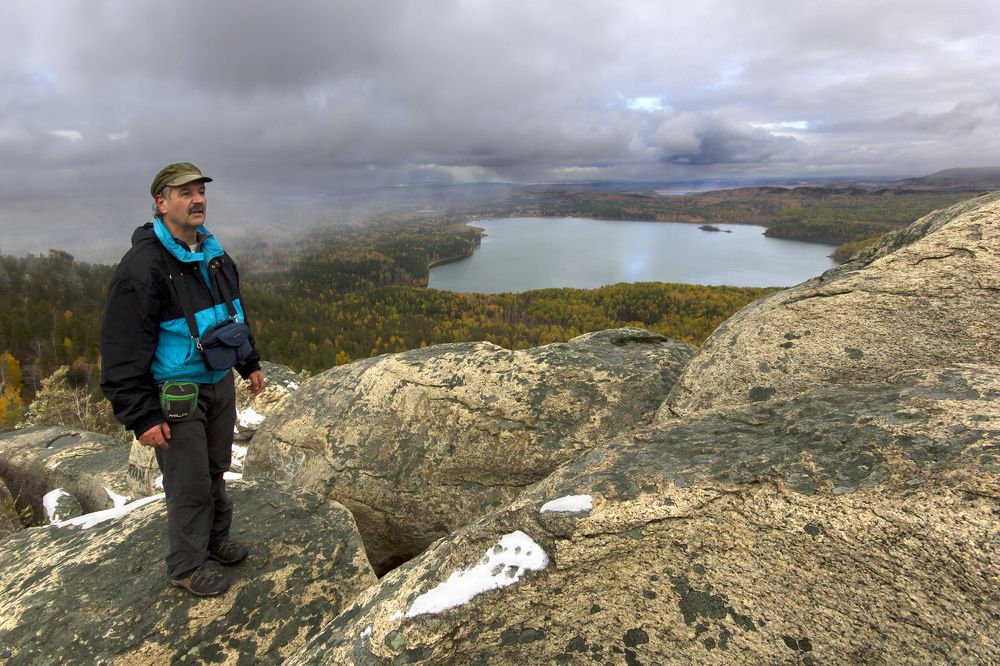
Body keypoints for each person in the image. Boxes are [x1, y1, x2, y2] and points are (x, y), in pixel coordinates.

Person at [101, 162, 265, 597]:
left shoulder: (213, 254)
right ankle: (187, 565)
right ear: (161, 202)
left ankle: (215, 541)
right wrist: (141, 414)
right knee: (187, 480)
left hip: (218, 383)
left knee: (215, 469)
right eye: (184, 193)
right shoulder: (143, 266)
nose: (197, 200)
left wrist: (249, 363)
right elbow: (121, 347)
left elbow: (234, 313)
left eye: (200, 192)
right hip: (176, 393)